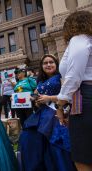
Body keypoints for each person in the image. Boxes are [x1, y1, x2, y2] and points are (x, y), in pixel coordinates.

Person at [19, 54, 76, 171]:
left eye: (51, 62)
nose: (48, 65)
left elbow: (69, 95)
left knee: (55, 146)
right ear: (42, 66)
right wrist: (37, 101)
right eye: (45, 63)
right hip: (42, 114)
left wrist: (49, 98)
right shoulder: (40, 81)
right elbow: (39, 99)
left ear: (56, 64)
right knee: (28, 138)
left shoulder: (62, 76)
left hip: (57, 112)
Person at [56, 11, 92, 171]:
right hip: (84, 98)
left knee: (83, 156)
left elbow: (74, 75)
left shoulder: (79, 39)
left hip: (85, 98)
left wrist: (60, 105)